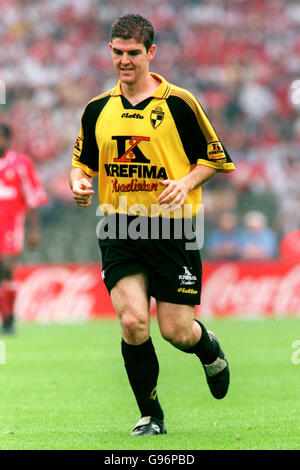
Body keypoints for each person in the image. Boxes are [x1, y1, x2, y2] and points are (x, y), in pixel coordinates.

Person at [69, 14, 235, 436]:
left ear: (151, 53)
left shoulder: (179, 102)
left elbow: (214, 158)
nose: (125, 61)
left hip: (172, 229)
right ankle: (150, 415)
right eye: (118, 52)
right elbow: (81, 164)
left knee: (176, 331)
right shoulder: (96, 109)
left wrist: (185, 182)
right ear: (110, 50)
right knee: (132, 323)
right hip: (119, 226)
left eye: (133, 53)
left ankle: (208, 349)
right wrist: (79, 184)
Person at [0, 124, 48, 334]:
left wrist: (34, 230)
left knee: (6, 267)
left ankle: (9, 319)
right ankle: (6, 316)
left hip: (11, 223)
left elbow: (33, 198)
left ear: (8, 140)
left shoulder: (21, 164)